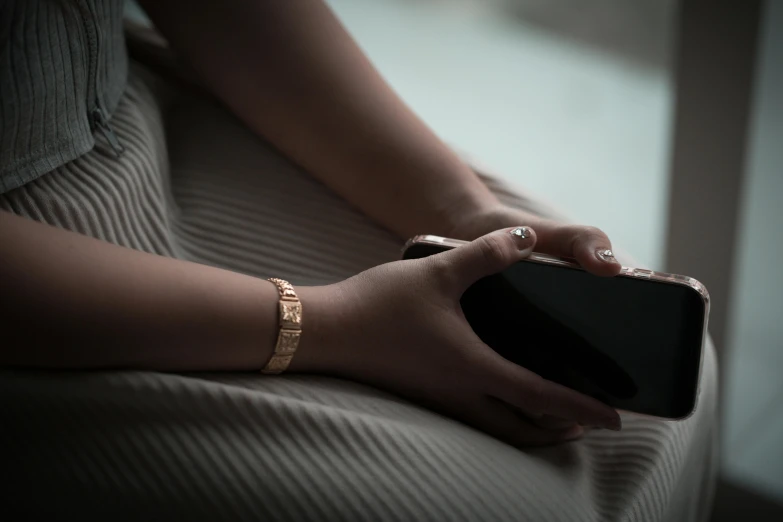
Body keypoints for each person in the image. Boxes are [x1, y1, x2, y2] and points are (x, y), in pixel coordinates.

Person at [0, 1, 718, 521]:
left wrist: (464, 215)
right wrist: (335, 326)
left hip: (145, 118)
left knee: (662, 414)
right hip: (44, 290)